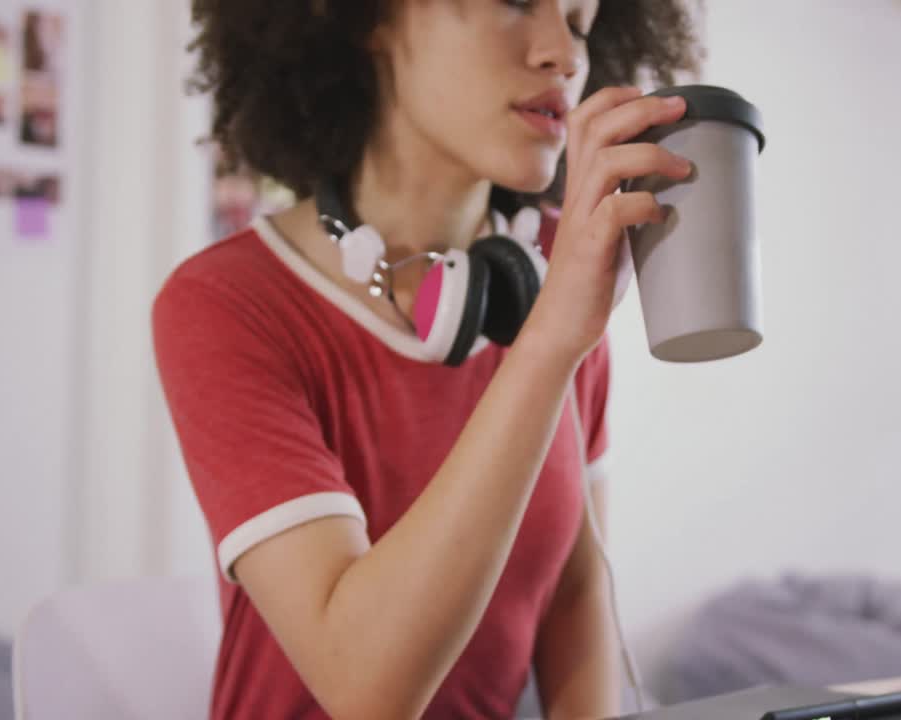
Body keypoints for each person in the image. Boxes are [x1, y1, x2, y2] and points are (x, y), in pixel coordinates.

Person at [153, 1, 701, 718]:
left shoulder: (557, 276)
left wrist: (560, 324)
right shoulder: (225, 305)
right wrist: (550, 343)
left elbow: (576, 594)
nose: (562, 55)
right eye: (515, 3)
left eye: (579, 21)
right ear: (368, 17)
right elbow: (365, 688)